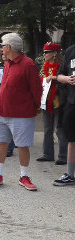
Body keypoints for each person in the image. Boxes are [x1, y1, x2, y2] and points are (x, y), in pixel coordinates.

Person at [0, 33, 42, 191]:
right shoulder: (7, 63)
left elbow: (37, 89)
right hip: (1, 112)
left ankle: (24, 176)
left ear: (9, 47)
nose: (0, 49)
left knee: (23, 146)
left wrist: (35, 107)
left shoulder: (28, 64)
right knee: (1, 144)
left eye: (2, 46)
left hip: (21, 115)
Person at [36, 42, 68, 164]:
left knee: (60, 129)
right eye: (43, 52)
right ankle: (47, 154)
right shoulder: (44, 66)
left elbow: (67, 79)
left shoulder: (62, 65)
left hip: (59, 100)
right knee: (47, 129)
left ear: (55, 53)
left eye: (47, 52)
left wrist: (54, 78)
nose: (44, 54)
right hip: (46, 100)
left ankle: (63, 156)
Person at [52, 43, 75, 186]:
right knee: (72, 140)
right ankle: (70, 174)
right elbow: (59, 75)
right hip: (72, 102)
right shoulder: (71, 50)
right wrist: (66, 79)